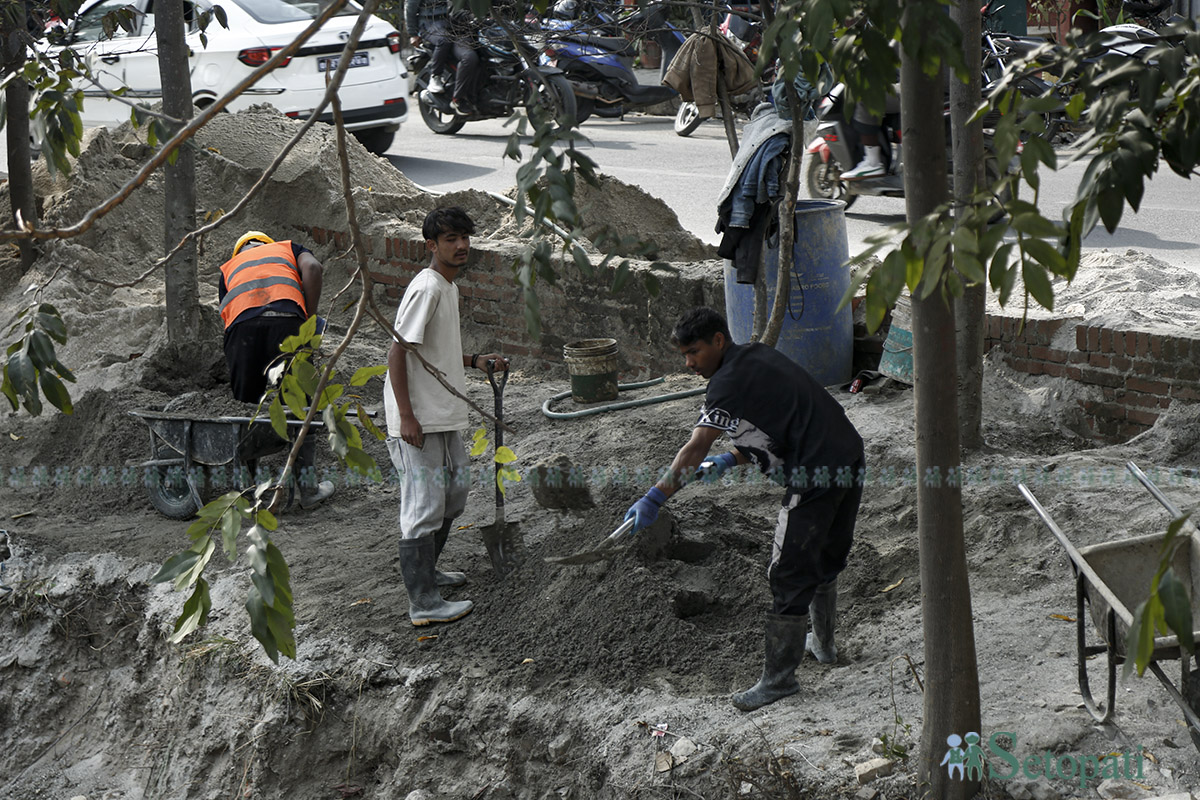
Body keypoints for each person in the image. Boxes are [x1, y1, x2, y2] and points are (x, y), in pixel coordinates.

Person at [623, 307, 865, 711]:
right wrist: (729, 458)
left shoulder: (725, 384)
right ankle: (824, 645)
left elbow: (695, 446)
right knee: (826, 554)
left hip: (814, 475)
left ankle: (779, 680)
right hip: (848, 454)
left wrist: (655, 497)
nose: (689, 363)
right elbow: (779, 426)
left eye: (694, 352)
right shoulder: (756, 355)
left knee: (787, 572)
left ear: (719, 340)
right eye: (684, 354)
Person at [385, 206, 508, 626]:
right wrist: (406, 416)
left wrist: (473, 361)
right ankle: (423, 602)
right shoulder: (427, 288)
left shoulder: (447, 286)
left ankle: (430, 571)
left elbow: (430, 350)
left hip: (442, 410)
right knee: (424, 503)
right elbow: (398, 351)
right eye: (451, 239)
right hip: (418, 415)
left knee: (454, 492)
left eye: (464, 237)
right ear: (431, 246)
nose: (460, 246)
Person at [218, 230, 335, 510]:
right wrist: (309, 321)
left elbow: (228, 318)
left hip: (243, 330)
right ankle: (308, 490)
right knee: (301, 407)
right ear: (267, 244)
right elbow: (313, 268)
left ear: (239, 251)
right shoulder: (288, 249)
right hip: (287, 321)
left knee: (246, 408)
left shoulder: (228, 268)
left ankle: (247, 490)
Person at [406, 0, 482, 115]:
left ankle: (463, 97)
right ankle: (436, 76)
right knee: (444, 40)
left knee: (470, 57)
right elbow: (410, 7)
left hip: (455, 27)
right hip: (430, 24)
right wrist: (413, 33)